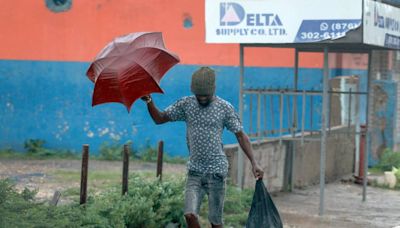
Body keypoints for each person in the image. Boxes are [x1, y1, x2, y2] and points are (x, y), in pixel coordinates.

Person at [141, 67, 263, 228]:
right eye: (199, 95)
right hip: (195, 171)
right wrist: (149, 101)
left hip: (216, 172)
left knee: (215, 222)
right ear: (193, 91)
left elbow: (240, 135)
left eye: (206, 95)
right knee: (189, 215)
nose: (202, 98)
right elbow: (160, 118)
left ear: (213, 90)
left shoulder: (224, 108)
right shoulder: (186, 104)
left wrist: (254, 162)